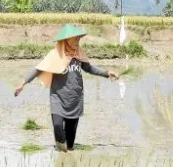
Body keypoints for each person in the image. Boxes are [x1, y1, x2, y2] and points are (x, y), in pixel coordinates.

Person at [14, 24, 118, 152]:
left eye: (78, 39)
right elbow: (38, 69)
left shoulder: (79, 54)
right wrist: (23, 82)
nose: (77, 42)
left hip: (75, 99)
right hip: (58, 97)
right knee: (58, 127)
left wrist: (106, 73)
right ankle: (61, 150)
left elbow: (89, 68)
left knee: (70, 142)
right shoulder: (55, 55)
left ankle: (66, 160)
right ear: (66, 40)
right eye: (75, 39)